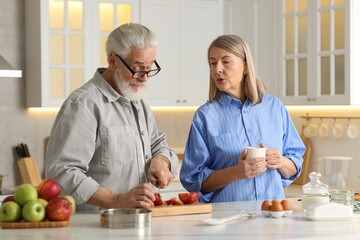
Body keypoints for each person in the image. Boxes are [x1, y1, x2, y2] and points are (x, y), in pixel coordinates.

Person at [45, 23, 179, 212]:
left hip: (138, 222)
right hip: (94, 227)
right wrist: (116, 200)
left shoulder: (137, 100)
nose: (145, 77)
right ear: (113, 59)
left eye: (150, 68)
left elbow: (157, 143)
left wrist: (161, 161)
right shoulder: (83, 104)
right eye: (138, 68)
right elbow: (63, 172)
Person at [180, 35, 306, 203]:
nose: (217, 69)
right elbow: (192, 180)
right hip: (225, 222)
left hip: (272, 217)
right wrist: (236, 172)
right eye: (212, 62)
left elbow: (293, 168)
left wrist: (280, 161)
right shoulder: (205, 116)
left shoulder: (275, 107)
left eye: (226, 62)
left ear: (246, 67)